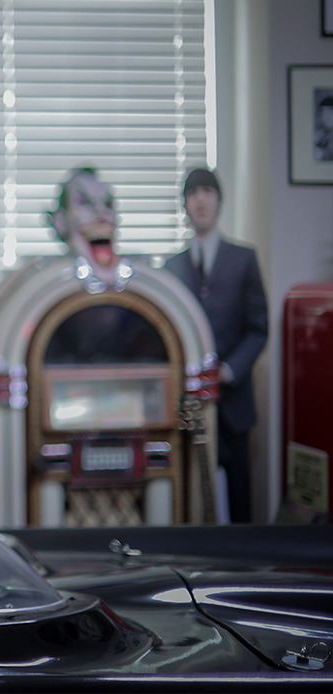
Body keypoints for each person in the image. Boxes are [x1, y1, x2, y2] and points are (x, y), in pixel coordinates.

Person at [164, 167, 268, 523]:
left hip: (235, 403)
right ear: (185, 205)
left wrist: (229, 370)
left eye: (208, 191)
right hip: (188, 406)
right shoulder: (171, 267)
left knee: (240, 497)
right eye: (193, 194)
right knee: (189, 494)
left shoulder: (244, 259)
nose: (201, 200)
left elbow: (259, 329)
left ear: (219, 200)